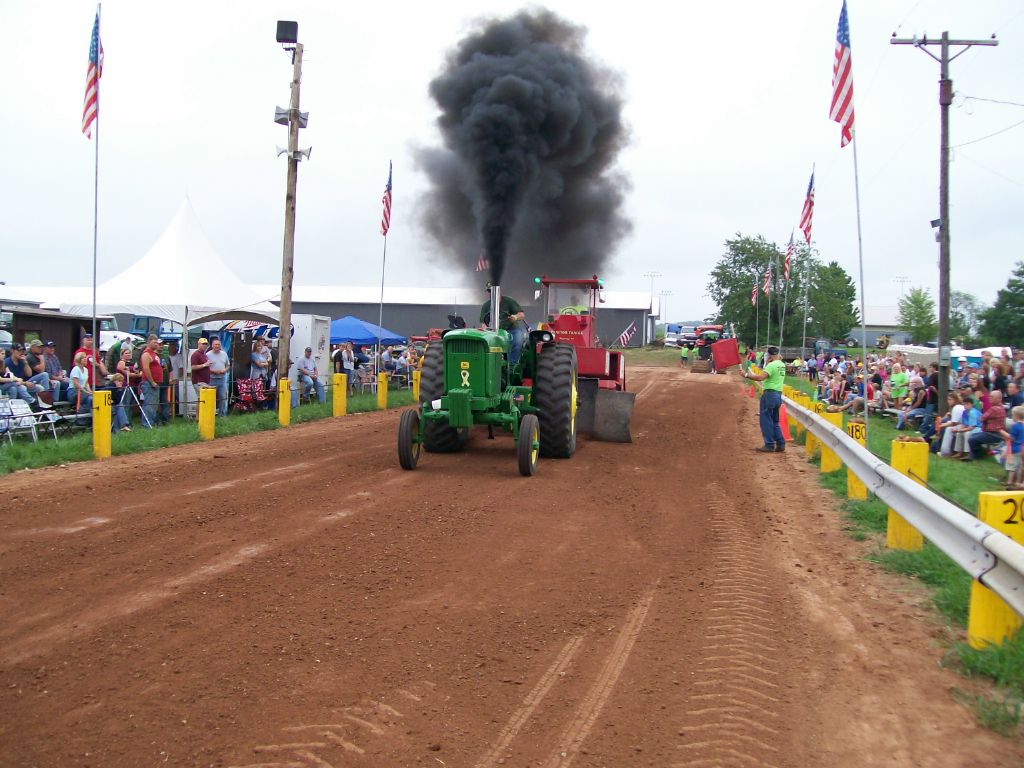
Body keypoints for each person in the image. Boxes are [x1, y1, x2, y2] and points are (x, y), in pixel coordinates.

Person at [743, 345, 786, 453]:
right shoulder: (782, 364)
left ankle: (769, 444)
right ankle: (780, 443)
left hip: (769, 394)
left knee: (766, 419)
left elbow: (760, 377)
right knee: (775, 420)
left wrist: (746, 375)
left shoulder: (771, 366)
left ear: (769, 355)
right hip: (778, 394)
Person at [478, 285, 527, 364]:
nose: (491, 294)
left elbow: (521, 315)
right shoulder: (486, 306)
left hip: (512, 330)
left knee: (517, 342)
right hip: (494, 332)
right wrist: (486, 330)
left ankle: (512, 366)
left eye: (493, 291)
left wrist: (515, 317)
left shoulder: (509, 301)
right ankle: (489, 364)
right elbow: (483, 324)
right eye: (490, 292)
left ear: (499, 291)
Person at [965, 390, 1006, 461]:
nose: (990, 398)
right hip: (998, 433)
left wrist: (981, 409)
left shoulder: (994, 409)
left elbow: (981, 418)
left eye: (992, 397)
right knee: (973, 436)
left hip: (993, 434)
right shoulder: (1002, 407)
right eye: (990, 396)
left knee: (972, 439)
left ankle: (976, 457)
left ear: (999, 399)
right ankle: (976, 454)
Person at [138, 335, 164, 428]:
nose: (156, 344)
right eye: (154, 342)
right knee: (149, 404)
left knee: (154, 405)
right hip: (149, 383)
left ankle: (151, 423)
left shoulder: (154, 354)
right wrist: (152, 381)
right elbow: (146, 368)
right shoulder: (146, 354)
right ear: (148, 342)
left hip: (156, 382)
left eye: (157, 342)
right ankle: (146, 425)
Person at [206, 337, 231, 416]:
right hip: (211, 379)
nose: (217, 346)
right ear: (212, 345)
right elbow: (205, 368)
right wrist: (213, 371)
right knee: (210, 399)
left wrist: (225, 370)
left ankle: (222, 415)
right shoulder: (207, 355)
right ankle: (210, 415)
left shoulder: (224, 354)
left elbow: (228, 365)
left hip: (222, 379)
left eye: (218, 344)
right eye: (215, 344)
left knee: (223, 398)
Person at [1004, 406, 1024, 489]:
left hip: (1014, 448)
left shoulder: (1015, 426)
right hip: (1021, 449)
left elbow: (1012, 438)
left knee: (1011, 465)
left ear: (1016, 416)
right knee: (1020, 466)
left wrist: (1004, 434)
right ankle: (1018, 482)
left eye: (1012, 415)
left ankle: (1009, 481)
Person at [69, 351, 93, 417]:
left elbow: (86, 383)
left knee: (92, 396)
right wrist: (85, 391)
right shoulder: (76, 369)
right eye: (83, 358)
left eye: (85, 357)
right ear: (79, 359)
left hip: (82, 391)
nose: (85, 359)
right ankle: (84, 417)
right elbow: (76, 383)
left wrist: (90, 391)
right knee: (89, 398)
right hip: (73, 391)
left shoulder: (86, 370)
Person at [190, 336, 212, 403]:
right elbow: (193, 367)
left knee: (201, 399)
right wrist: (205, 365)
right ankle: (202, 413)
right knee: (204, 399)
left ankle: (199, 413)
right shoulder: (195, 354)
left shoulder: (204, 354)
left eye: (206, 344)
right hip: (199, 381)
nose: (205, 345)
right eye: (203, 344)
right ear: (199, 344)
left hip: (204, 381)